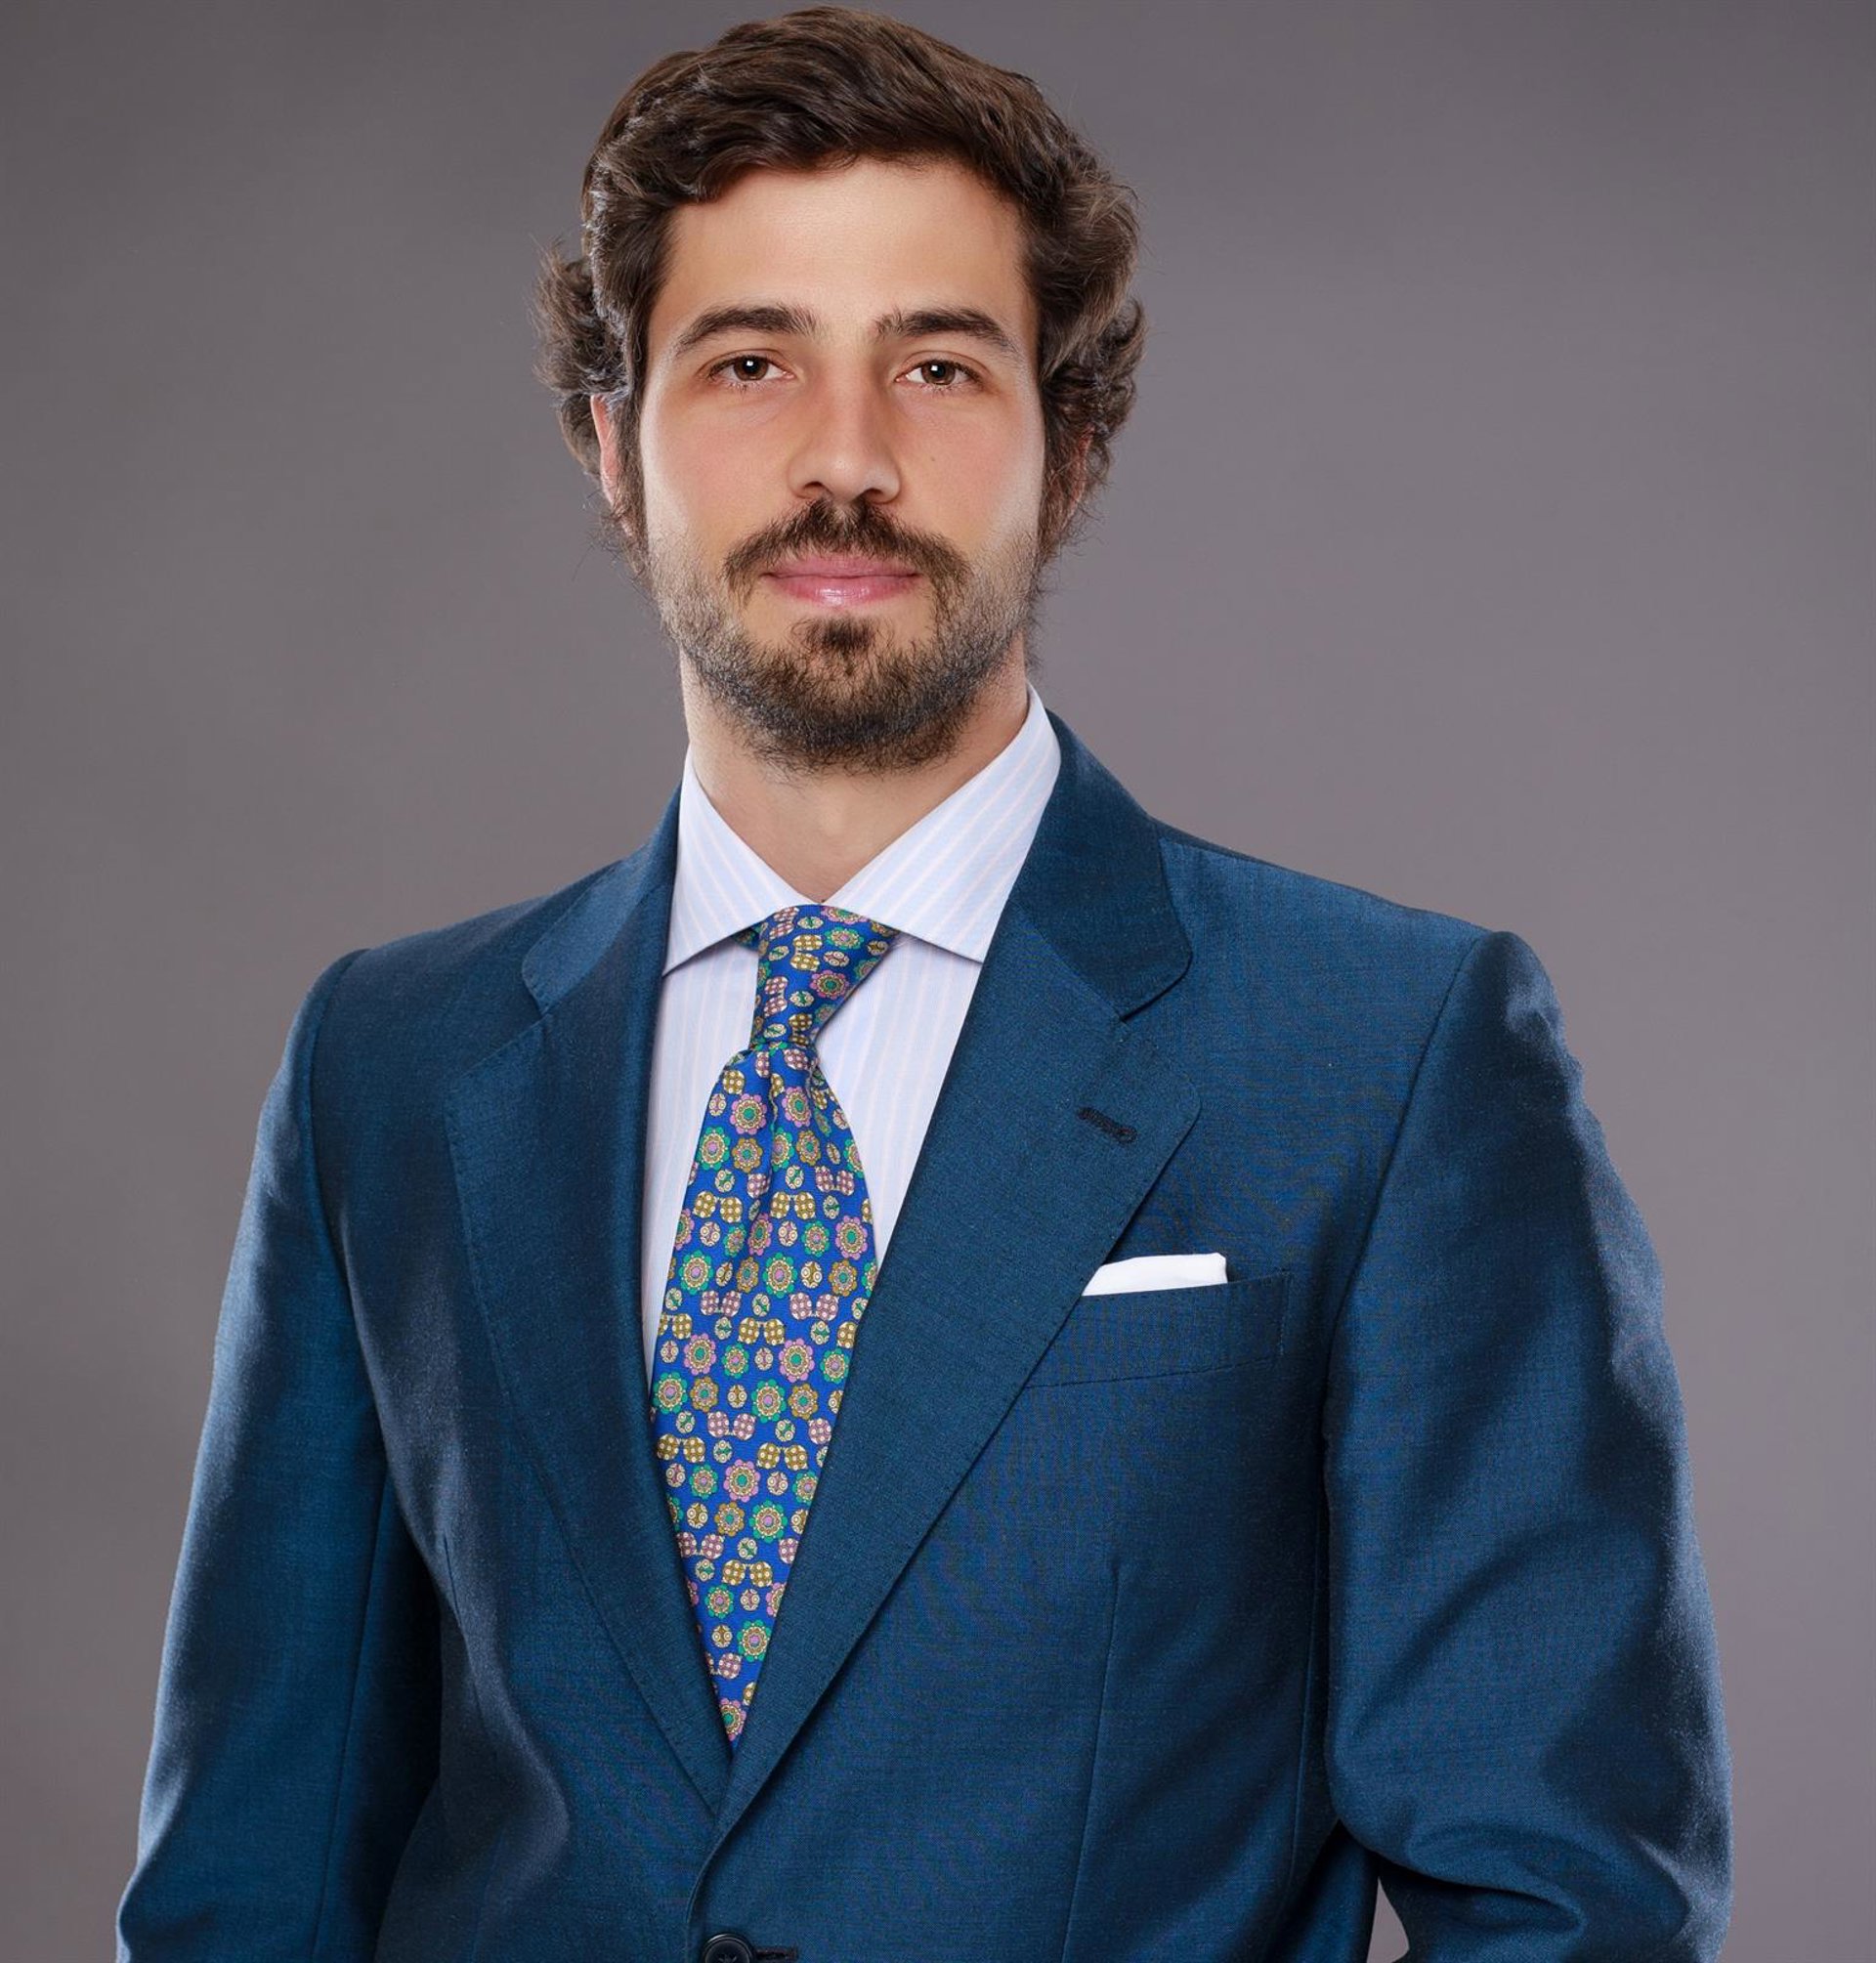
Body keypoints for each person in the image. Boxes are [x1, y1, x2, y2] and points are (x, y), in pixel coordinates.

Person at [117, 9, 1732, 1960]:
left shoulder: (1388, 1056)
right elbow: (252, 1883)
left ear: (1073, 445)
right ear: (612, 447)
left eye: (940, 365)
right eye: (751, 361)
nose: (847, 459)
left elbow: (1567, 1909)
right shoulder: (391, 1067)